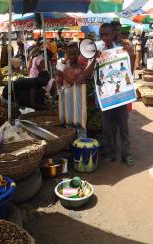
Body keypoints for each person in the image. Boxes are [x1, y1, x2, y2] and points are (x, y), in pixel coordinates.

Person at [84, 23, 134, 166]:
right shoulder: (96, 51)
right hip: (105, 97)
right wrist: (95, 59)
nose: (104, 37)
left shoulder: (121, 50)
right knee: (107, 128)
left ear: (113, 35)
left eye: (106, 34)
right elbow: (87, 74)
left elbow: (129, 70)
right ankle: (110, 153)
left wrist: (130, 54)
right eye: (102, 34)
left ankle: (127, 155)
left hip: (120, 96)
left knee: (123, 127)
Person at [56, 42, 88, 138]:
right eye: (70, 53)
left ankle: (82, 142)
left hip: (79, 99)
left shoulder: (81, 67)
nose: (72, 56)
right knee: (68, 120)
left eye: (74, 53)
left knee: (80, 121)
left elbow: (73, 81)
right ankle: (70, 142)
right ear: (67, 54)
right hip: (67, 98)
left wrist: (63, 73)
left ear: (78, 53)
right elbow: (60, 82)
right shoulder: (64, 66)